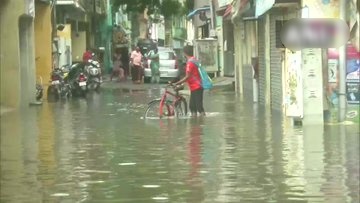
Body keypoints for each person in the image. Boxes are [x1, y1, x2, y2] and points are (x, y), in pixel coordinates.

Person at [171, 45, 205, 117]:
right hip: (195, 87)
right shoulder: (194, 60)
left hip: (197, 87)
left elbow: (187, 77)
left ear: (185, 53)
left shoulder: (190, 63)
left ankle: (202, 122)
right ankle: (196, 125)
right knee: (192, 107)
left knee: (199, 107)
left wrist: (177, 83)